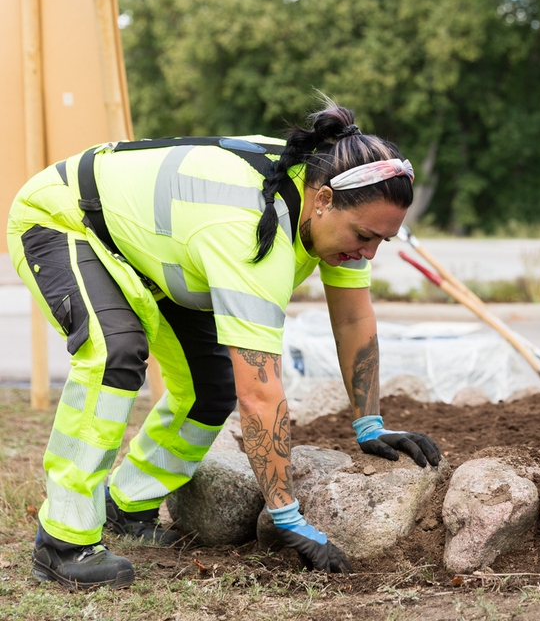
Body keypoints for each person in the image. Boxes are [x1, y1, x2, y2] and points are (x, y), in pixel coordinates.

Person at [7, 100, 441, 590]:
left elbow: (354, 318)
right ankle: (62, 542)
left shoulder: (340, 204)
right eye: (365, 236)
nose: (368, 253)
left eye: (382, 241)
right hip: (66, 217)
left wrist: (369, 423)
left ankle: (127, 504)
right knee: (114, 352)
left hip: (158, 251)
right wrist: (289, 517)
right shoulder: (251, 232)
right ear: (321, 201)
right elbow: (259, 393)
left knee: (208, 388)